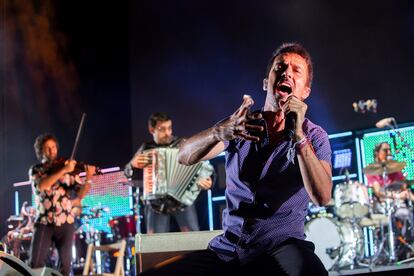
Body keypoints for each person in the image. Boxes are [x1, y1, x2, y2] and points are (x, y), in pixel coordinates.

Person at [139, 42, 332, 275]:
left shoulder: (315, 136)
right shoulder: (240, 126)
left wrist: (298, 135)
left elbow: (322, 196)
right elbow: (183, 156)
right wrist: (218, 132)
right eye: (280, 67)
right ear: (266, 83)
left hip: (281, 246)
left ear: (305, 92)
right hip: (228, 250)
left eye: (296, 70)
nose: (287, 72)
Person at [124, 112, 213, 233]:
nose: (167, 133)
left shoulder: (182, 144)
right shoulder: (146, 148)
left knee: (193, 240)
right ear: (152, 130)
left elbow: (203, 166)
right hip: (156, 203)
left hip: (183, 200)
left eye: (169, 128)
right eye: (162, 129)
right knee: (157, 244)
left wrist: (208, 180)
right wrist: (133, 165)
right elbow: (127, 172)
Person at [28, 133, 95, 276]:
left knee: (65, 266)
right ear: (41, 152)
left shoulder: (68, 172)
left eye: (53, 147)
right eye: (47, 148)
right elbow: (42, 185)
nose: (52, 151)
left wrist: (88, 178)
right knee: (35, 263)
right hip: (44, 222)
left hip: (65, 222)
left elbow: (79, 196)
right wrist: (64, 170)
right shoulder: (37, 170)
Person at [366, 141, 414, 253]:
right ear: (377, 153)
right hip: (383, 205)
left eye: (389, 150)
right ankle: (403, 246)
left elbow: (405, 190)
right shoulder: (373, 170)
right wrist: (396, 196)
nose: (389, 152)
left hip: (400, 204)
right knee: (405, 214)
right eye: (385, 150)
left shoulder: (396, 170)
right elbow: (378, 192)